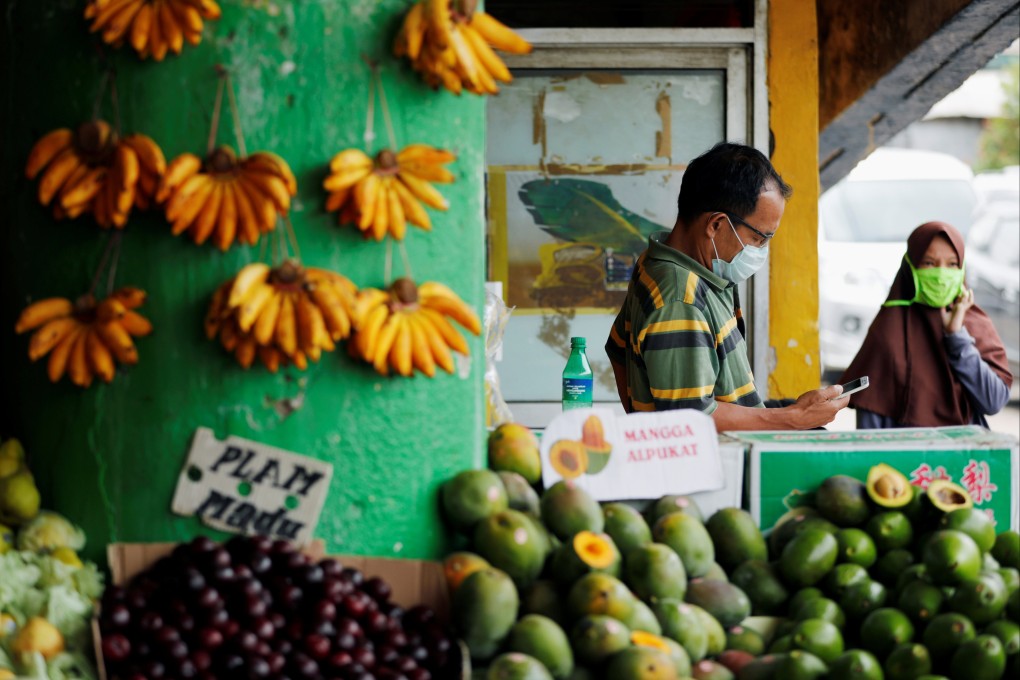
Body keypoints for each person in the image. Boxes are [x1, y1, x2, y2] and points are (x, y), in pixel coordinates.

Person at [605, 142, 847, 430]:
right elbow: (692, 420)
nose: (761, 250)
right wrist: (791, 419)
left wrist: (640, 415)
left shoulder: (662, 263)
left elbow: (617, 351)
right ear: (717, 225)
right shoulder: (681, 300)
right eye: (759, 238)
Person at [841, 221, 1012, 428]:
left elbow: (993, 401)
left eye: (951, 264)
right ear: (911, 267)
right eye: (929, 263)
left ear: (962, 268)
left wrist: (957, 337)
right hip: (904, 458)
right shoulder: (888, 330)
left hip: (965, 457)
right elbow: (871, 419)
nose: (941, 275)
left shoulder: (974, 323)